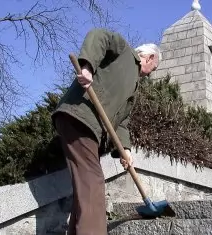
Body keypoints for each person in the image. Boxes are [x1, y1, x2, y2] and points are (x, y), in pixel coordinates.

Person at [51, 28, 161, 235]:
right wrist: (87, 68)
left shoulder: (133, 88)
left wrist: (125, 150)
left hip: (90, 127)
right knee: (93, 182)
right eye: (153, 69)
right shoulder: (124, 51)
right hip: (80, 116)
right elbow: (99, 35)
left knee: (86, 186)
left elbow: (122, 122)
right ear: (149, 58)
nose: (149, 75)